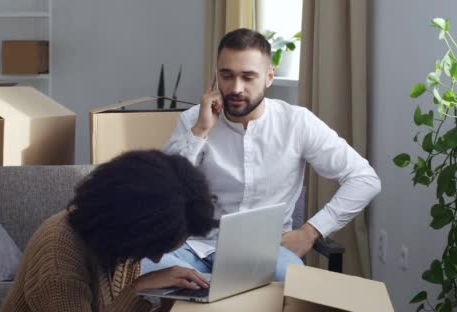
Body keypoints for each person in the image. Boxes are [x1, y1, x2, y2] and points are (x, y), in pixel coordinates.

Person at [142, 28, 381, 281]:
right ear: (215, 77)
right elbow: (163, 192)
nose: (236, 88)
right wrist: (200, 131)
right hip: (195, 249)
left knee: (290, 280)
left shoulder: (297, 122)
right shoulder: (193, 121)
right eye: (227, 75)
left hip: (268, 252)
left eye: (248, 77)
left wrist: (310, 232)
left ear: (269, 77)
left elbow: (365, 179)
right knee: (142, 273)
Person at [0, 150, 218, 312]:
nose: (156, 259)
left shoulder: (117, 240)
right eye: (155, 249)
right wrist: (137, 289)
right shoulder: (58, 263)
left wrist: (169, 304)